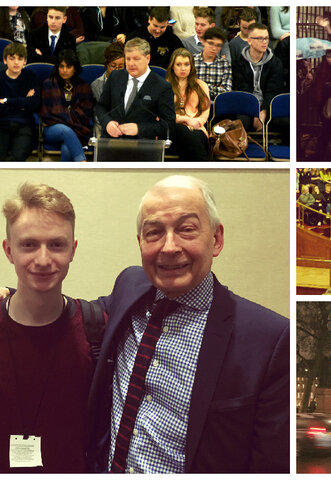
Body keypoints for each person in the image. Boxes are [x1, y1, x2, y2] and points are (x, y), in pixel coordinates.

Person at [86, 175, 289, 473]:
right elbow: (77, 313)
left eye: (186, 229)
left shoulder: (269, 339)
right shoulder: (129, 287)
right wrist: (14, 296)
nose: (169, 247)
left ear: (216, 239)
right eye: (154, 232)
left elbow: (270, 468)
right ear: (140, 242)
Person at [0, 183, 103, 473]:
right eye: (29, 244)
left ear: (73, 250)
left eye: (56, 244)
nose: (43, 260)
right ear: (9, 251)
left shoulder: (96, 329)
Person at [95, 38, 176, 141]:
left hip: (142, 145)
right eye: (128, 59)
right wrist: (107, 123)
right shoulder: (115, 77)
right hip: (112, 141)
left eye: (136, 59)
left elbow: (169, 125)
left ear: (148, 58)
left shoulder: (162, 86)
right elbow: (101, 106)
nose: (131, 63)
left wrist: (139, 128)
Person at [40, 49, 94, 162]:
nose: (64, 70)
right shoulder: (49, 83)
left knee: (67, 148)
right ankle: (83, 163)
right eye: (61, 66)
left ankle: (63, 179)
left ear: (75, 68)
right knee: (66, 131)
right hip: (52, 129)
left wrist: (65, 115)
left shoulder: (84, 86)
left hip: (77, 128)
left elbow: (85, 113)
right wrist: (71, 116)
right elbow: (52, 113)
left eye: (68, 67)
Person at [232, 22, 285, 133]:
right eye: (260, 38)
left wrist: (263, 112)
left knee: (285, 122)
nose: (265, 42)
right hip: (247, 105)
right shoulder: (239, 62)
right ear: (249, 40)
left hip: (268, 105)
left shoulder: (275, 63)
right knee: (241, 122)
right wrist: (254, 111)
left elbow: (273, 91)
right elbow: (242, 89)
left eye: (266, 38)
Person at [165, 48, 211, 161]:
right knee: (183, 131)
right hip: (171, 130)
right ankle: (203, 170)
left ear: (191, 66)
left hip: (197, 128)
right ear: (172, 66)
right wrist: (185, 119)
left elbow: (205, 111)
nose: (183, 68)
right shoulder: (163, 86)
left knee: (193, 138)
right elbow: (163, 115)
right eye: (178, 64)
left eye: (186, 64)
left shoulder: (201, 85)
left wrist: (197, 122)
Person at [0, 42, 41, 161]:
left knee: (17, 159)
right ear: (5, 60)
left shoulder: (31, 77)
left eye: (20, 58)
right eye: (12, 58)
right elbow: (28, 104)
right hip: (1, 124)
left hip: (25, 125)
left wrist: (6, 100)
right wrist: (23, 101)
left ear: (25, 61)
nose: (16, 62)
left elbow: (35, 104)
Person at [193, 27, 232, 101]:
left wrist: (200, 85)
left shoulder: (225, 64)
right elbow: (188, 88)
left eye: (218, 45)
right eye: (211, 43)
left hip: (216, 105)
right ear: (203, 42)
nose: (214, 48)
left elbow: (226, 92)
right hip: (194, 103)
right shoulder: (192, 61)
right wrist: (217, 88)